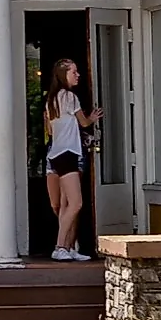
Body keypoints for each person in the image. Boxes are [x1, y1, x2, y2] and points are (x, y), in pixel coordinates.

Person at [42, 59, 101, 261]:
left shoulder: (51, 100)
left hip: (56, 154)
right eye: (73, 72)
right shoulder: (69, 97)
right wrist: (92, 118)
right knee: (75, 203)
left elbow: (50, 130)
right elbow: (83, 122)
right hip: (68, 153)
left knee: (66, 203)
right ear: (63, 75)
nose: (77, 75)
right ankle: (60, 247)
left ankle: (68, 247)